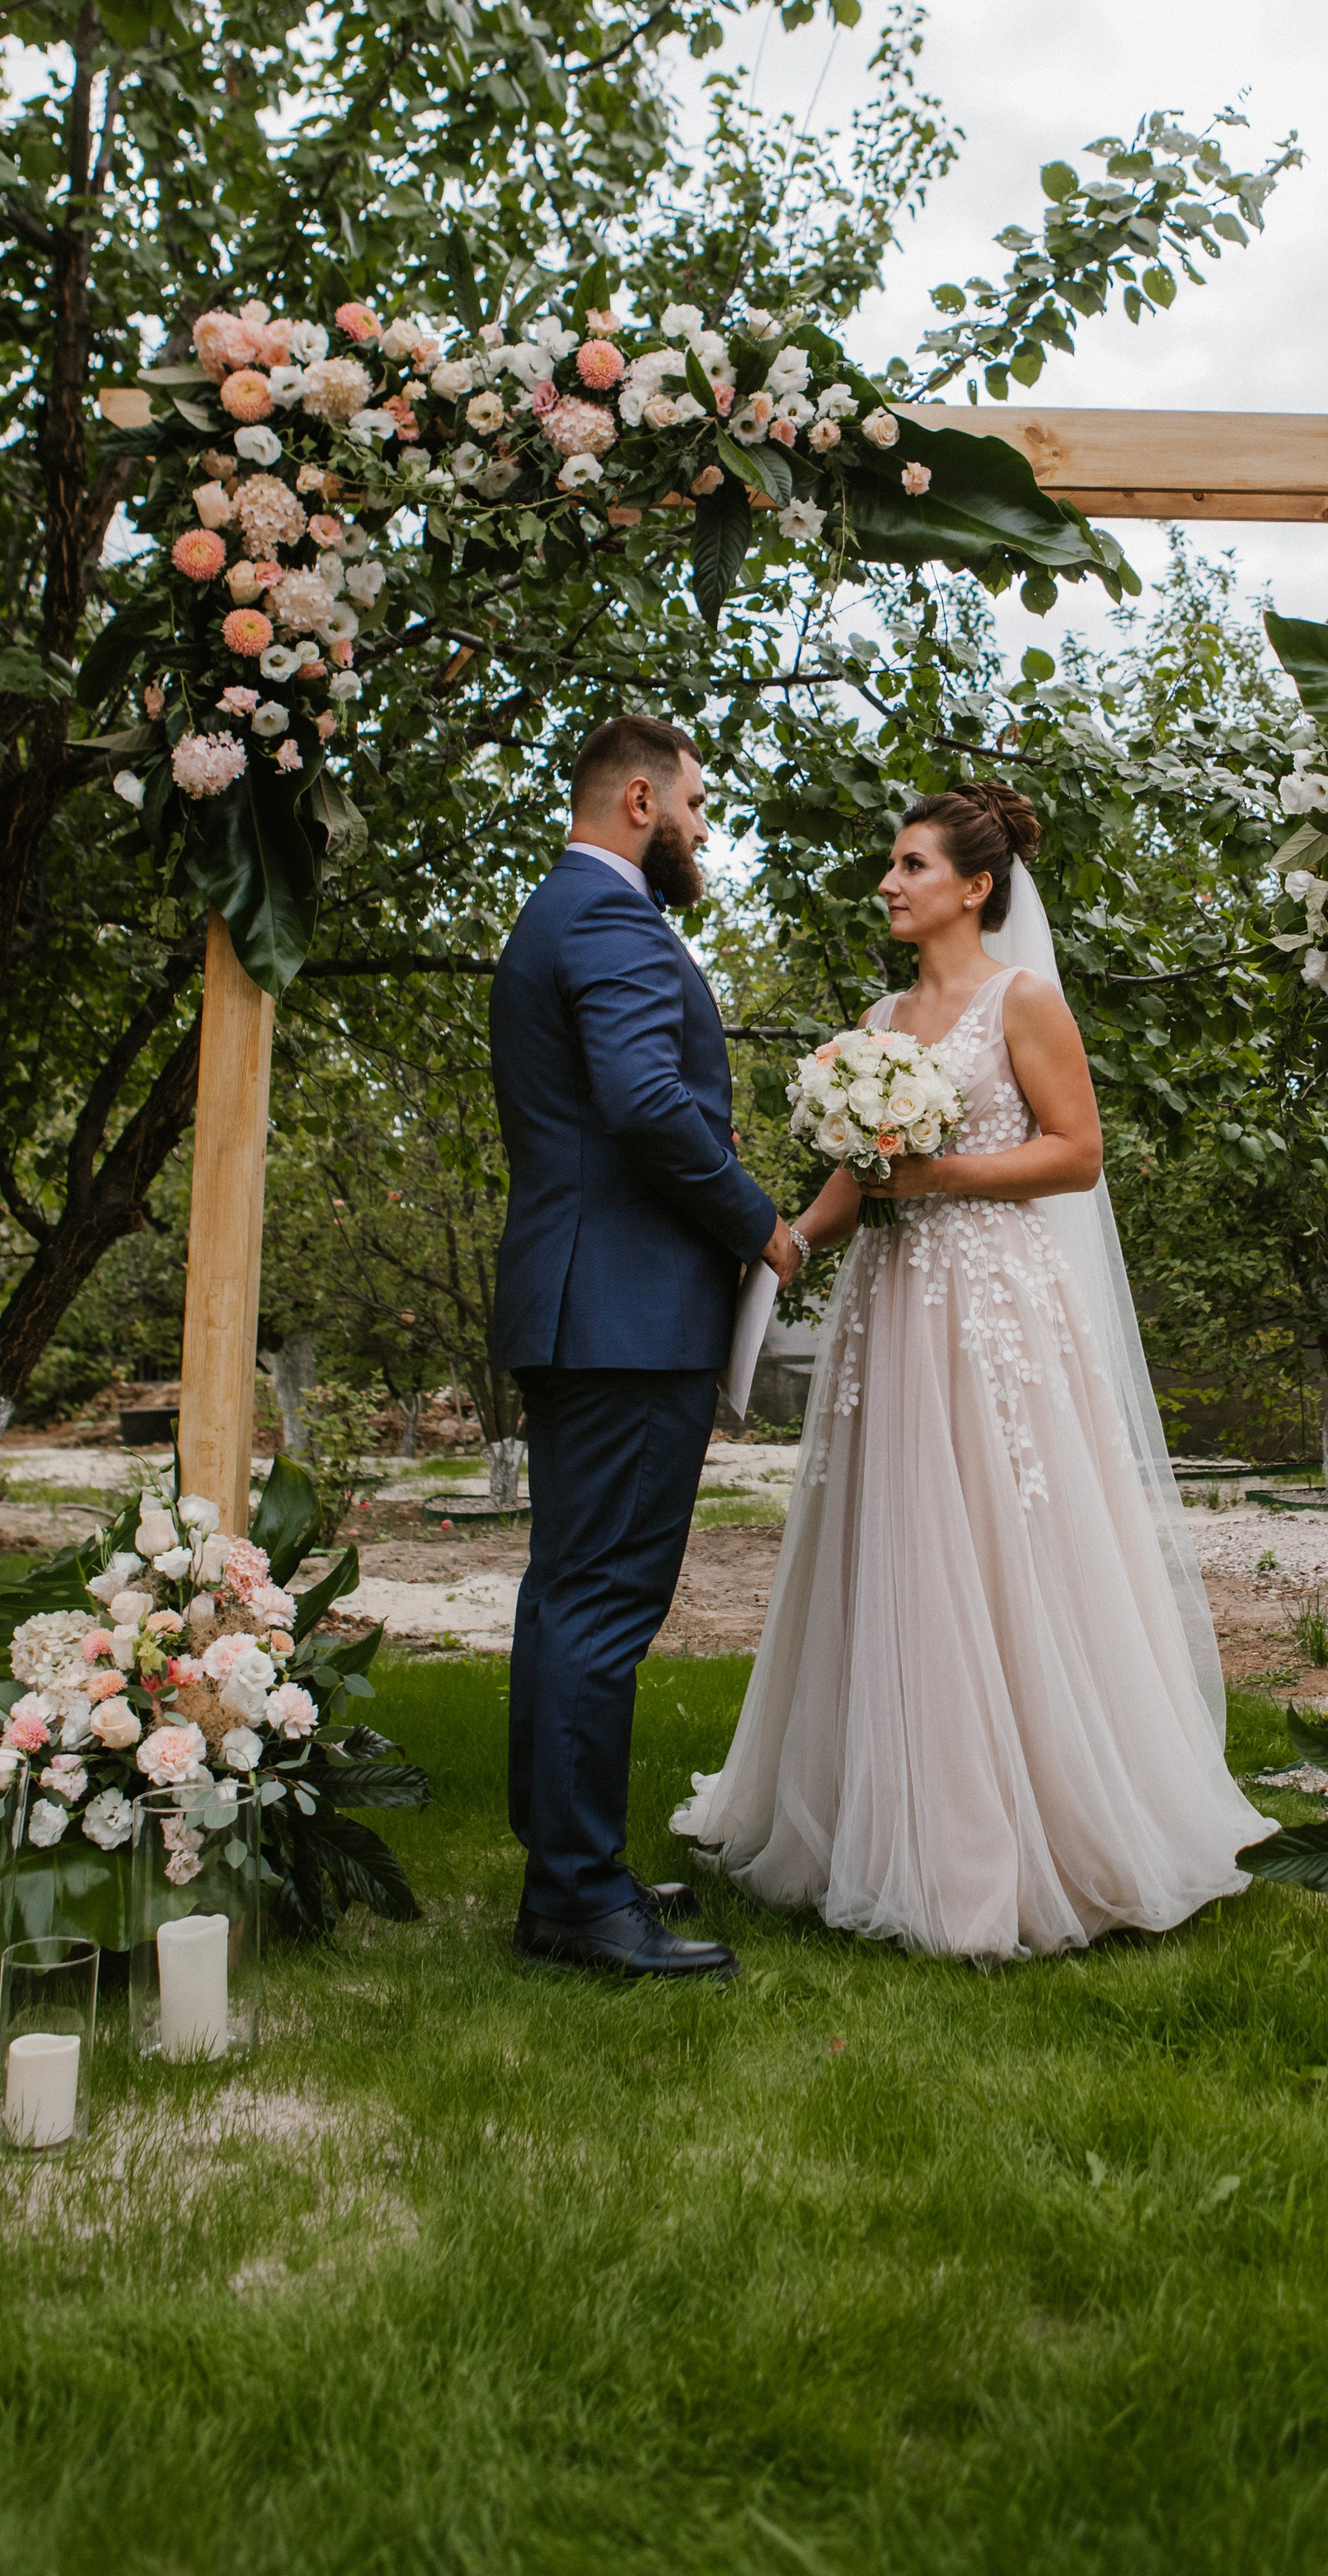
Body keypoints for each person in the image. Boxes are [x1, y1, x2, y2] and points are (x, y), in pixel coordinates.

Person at [675, 781, 1265, 1959]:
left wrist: (933, 1176)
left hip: (992, 1305)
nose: (890, 884)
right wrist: (788, 1244)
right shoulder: (881, 1017)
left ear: (976, 887)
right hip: (891, 1305)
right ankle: (872, 1815)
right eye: (891, 867)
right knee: (892, 1535)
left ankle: (1034, 1824)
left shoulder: (1023, 1001)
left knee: (1003, 1536)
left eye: (911, 866)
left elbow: (1077, 1155)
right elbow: (862, 1174)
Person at [490, 714, 803, 1979]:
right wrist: (759, 1223)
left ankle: (569, 1870)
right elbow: (645, 1101)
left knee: (570, 1596)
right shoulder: (611, 918)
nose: (702, 826)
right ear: (637, 799)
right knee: (602, 1603)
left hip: (586, 1304)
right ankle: (576, 1894)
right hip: (622, 1316)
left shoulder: (559, 912)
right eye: (695, 803)